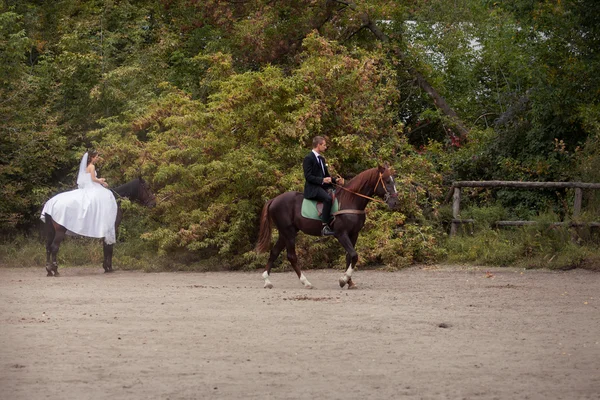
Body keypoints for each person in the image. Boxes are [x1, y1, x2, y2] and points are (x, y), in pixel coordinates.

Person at [41, 149, 119, 244]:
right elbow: (93, 179)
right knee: (106, 196)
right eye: (96, 157)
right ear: (91, 158)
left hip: (89, 186)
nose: (97, 159)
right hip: (92, 187)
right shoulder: (92, 166)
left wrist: (99, 179)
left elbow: (88, 178)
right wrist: (102, 182)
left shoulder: (86, 167)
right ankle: (100, 222)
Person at [303, 136, 344, 236]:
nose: (325, 147)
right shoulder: (308, 158)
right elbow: (308, 177)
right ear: (318, 145)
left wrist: (336, 180)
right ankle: (325, 226)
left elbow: (326, 176)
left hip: (322, 187)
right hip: (313, 188)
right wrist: (322, 180)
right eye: (324, 145)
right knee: (328, 199)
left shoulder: (321, 158)